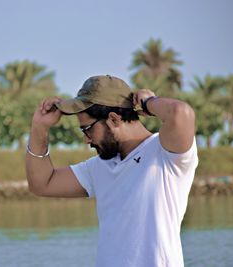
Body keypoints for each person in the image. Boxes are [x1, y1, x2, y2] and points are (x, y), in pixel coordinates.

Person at [25, 74, 198, 267]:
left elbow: (181, 114)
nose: (86, 140)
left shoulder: (165, 154)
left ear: (114, 119)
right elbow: (42, 184)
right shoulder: (99, 166)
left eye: (87, 129)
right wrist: (39, 128)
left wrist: (149, 102)